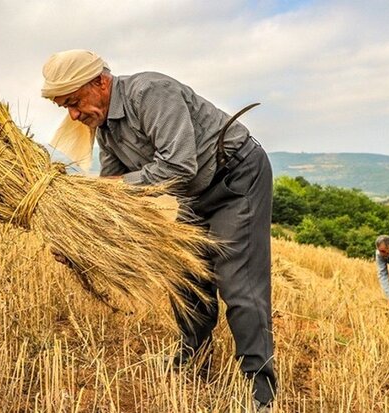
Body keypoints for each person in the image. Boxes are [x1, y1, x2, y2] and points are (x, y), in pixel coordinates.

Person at [41, 49, 276, 409]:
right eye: (65, 108)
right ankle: (191, 361)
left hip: (235, 178)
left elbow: (178, 164)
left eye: (74, 102)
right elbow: (115, 195)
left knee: (239, 283)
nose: (74, 115)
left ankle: (259, 389)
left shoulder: (150, 93)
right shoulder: (107, 130)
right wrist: (80, 234)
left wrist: (114, 188)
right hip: (192, 193)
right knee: (186, 278)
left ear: (100, 82)